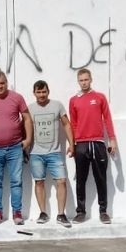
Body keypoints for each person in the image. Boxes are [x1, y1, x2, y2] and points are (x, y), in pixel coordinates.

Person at [68, 68, 117, 224]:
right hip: (81, 144)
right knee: (80, 180)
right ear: (78, 81)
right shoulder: (74, 100)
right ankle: (81, 212)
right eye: (81, 80)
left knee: (101, 179)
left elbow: (107, 119)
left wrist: (112, 139)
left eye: (86, 79)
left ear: (91, 79)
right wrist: (73, 144)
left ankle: (104, 212)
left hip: (98, 143)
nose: (84, 83)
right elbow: (73, 123)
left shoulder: (100, 97)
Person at [0, 71, 33, 225]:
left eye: (2, 83)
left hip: (15, 148)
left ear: (7, 82)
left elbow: (27, 118)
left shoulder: (17, 97)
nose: (0, 86)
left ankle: (17, 213)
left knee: (16, 181)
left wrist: (28, 140)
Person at [28, 80, 74, 227]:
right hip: (36, 153)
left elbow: (67, 124)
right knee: (39, 182)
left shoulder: (57, 105)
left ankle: (61, 214)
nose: (41, 95)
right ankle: (43, 213)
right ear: (34, 93)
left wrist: (72, 144)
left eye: (44, 92)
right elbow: (25, 128)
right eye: (38, 92)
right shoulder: (29, 109)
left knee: (61, 181)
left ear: (48, 91)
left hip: (55, 152)